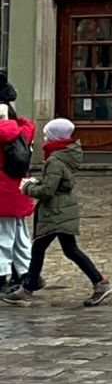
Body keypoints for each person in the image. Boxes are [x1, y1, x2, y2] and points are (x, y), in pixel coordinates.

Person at [8, 117, 112, 308]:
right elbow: (55, 184)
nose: (45, 140)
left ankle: (28, 289)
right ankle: (29, 288)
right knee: (67, 249)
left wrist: (27, 188)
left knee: (43, 248)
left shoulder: (55, 160)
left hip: (57, 210)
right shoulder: (64, 155)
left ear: (55, 137)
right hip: (63, 208)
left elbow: (48, 191)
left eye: (48, 136)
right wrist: (37, 183)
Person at [0, 100, 36, 296]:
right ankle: (25, 273)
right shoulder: (24, 130)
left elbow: (4, 131)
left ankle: (2, 277)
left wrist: (3, 118)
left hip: (3, 190)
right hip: (19, 189)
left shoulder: (4, 130)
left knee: (2, 238)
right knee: (20, 235)